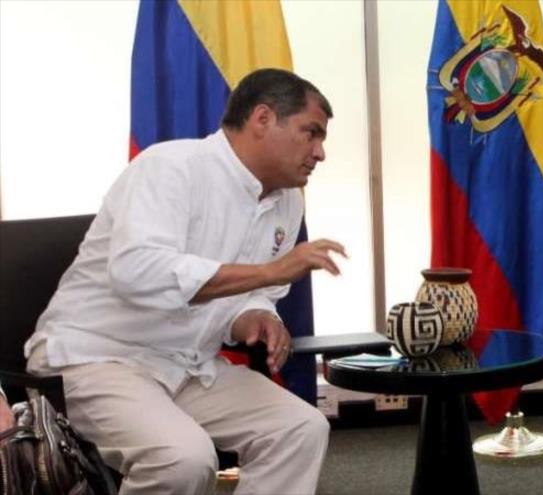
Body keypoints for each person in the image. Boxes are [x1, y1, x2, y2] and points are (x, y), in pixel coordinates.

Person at [24, 68, 345, 495]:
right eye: (312, 133)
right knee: (183, 459)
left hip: (186, 365)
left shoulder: (286, 202)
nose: (320, 152)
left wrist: (256, 316)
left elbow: (250, 297)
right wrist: (270, 272)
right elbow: (136, 273)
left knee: (300, 428)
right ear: (263, 119)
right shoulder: (170, 167)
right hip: (97, 357)